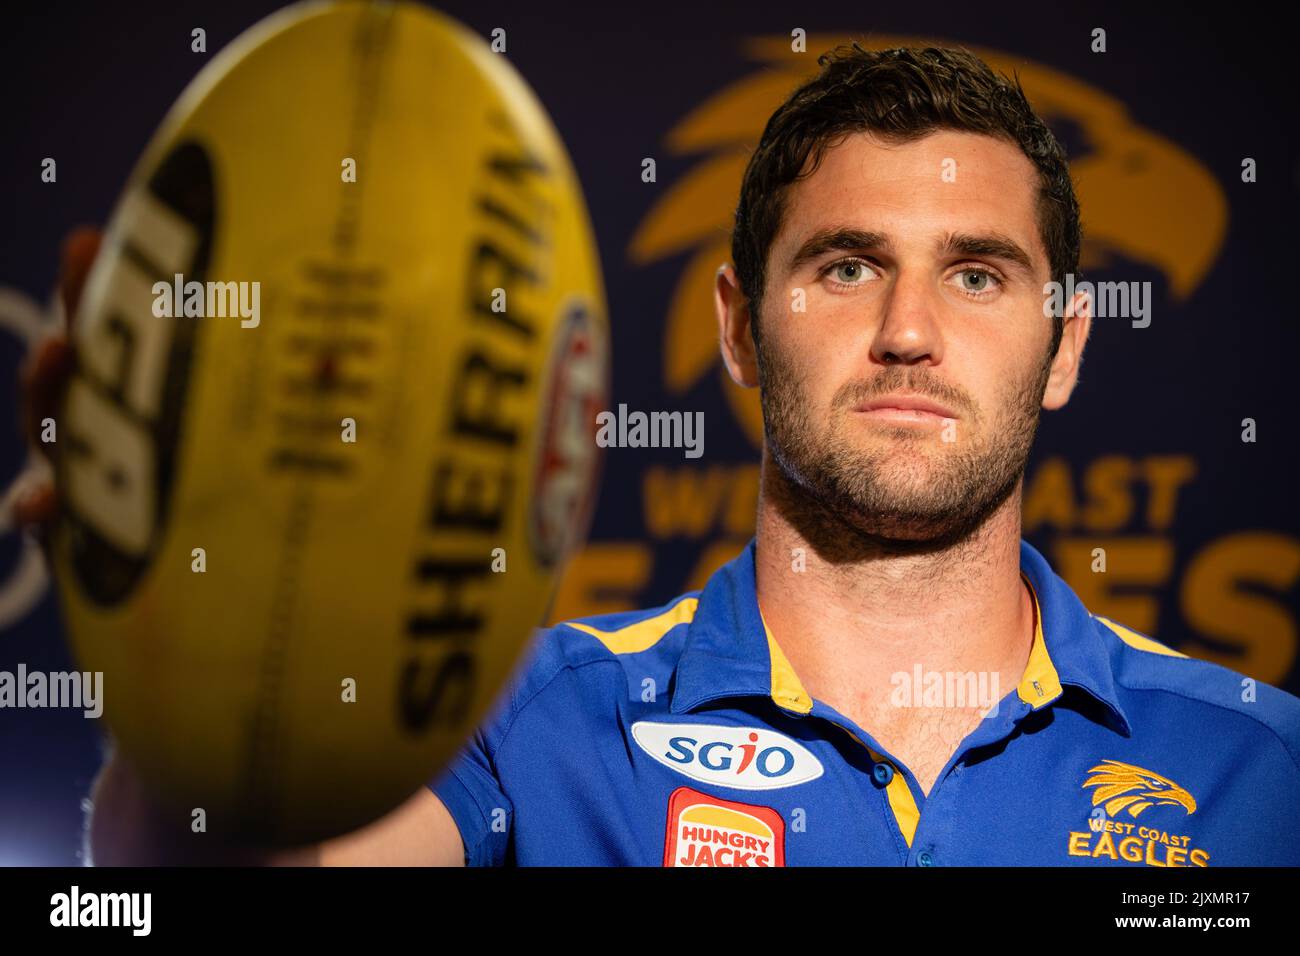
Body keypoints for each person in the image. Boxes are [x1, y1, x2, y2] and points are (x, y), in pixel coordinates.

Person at [16, 45, 1300, 866]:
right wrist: (185, 671)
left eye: (976, 273)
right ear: (738, 325)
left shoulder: (1264, 772)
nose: (907, 332)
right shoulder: (525, 723)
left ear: (1065, 345)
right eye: (844, 266)